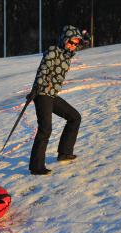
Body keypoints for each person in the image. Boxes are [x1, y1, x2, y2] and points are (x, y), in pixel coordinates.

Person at [27, 25, 89, 175]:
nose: (73, 46)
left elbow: (84, 41)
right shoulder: (53, 51)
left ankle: (64, 152)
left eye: (75, 44)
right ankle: (36, 166)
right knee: (45, 129)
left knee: (74, 117)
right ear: (64, 40)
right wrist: (37, 88)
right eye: (71, 42)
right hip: (42, 94)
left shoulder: (67, 55)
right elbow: (43, 69)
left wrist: (85, 37)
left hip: (52, 95)